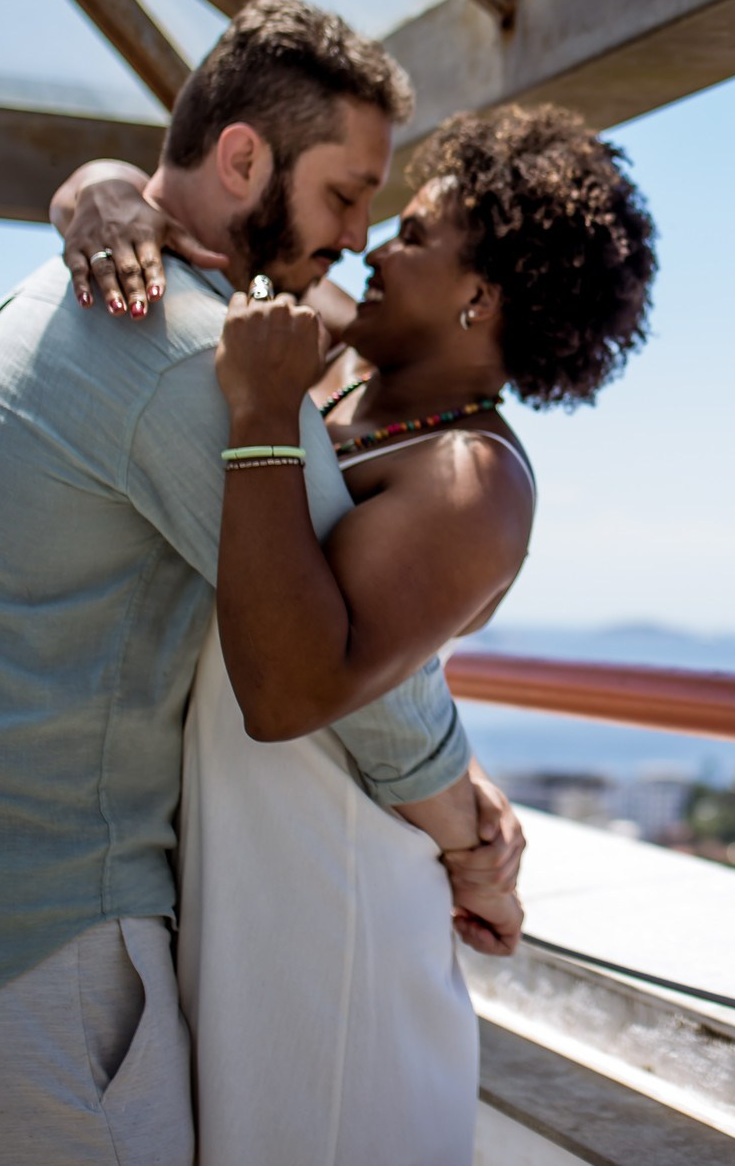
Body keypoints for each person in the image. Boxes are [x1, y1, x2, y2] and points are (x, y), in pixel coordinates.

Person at [0, 0, 509, 1165]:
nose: (358, 233)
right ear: (242, 157)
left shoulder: (53, 294)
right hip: (21, 963)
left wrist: (94, 183)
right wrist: (472, 835)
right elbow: (351, 663)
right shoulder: (188, 357)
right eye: (343, 193)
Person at [52, 104, 657, 1165]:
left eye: (416, 235)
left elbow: (287, 690)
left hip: (331, 924)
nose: (375, 246)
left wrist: (258, 418)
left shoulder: (472, 480)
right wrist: (98, 189)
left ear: (481, 296)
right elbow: (175, 218)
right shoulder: (355, 373)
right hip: (248, 886)